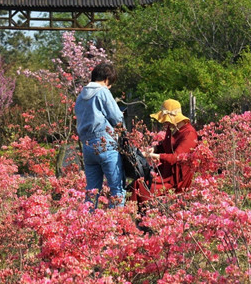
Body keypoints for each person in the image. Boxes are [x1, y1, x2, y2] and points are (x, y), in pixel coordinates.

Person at [75, 62, 125, 208]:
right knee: (116, 189)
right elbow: (116, 117)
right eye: (110, 83)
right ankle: (115, 226)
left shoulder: (80, 96)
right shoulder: (102, 92)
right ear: (106, 79)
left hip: (87, 146)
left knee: (92, 192)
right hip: (105, 143)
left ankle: (88, 225)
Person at [130, 99, 198, 205]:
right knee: (137, 182)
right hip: (164, 171)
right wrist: (155, 149)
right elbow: (165, 145)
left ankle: (144, 215)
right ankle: (134, 215)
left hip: (175, 178)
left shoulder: (189, 133)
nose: (165, 123)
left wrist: (153, 156)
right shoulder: (172, 128)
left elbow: (176, 157)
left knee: (144, 187)